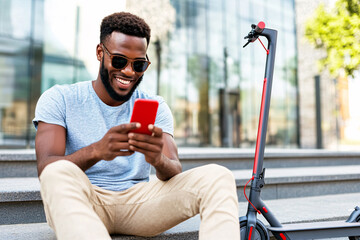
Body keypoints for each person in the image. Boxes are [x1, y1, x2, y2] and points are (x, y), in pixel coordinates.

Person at [33, 12, 240, 240]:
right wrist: (97, 151)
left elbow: (174, 169)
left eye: (139, 64)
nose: (129, 72)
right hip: (83, 200)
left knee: (219, 176)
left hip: (139, 203)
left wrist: (157, 160)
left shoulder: (156, 106)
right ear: (100, 53)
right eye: (120, 61)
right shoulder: (60, 98)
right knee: (56, 172)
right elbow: (46, 167)